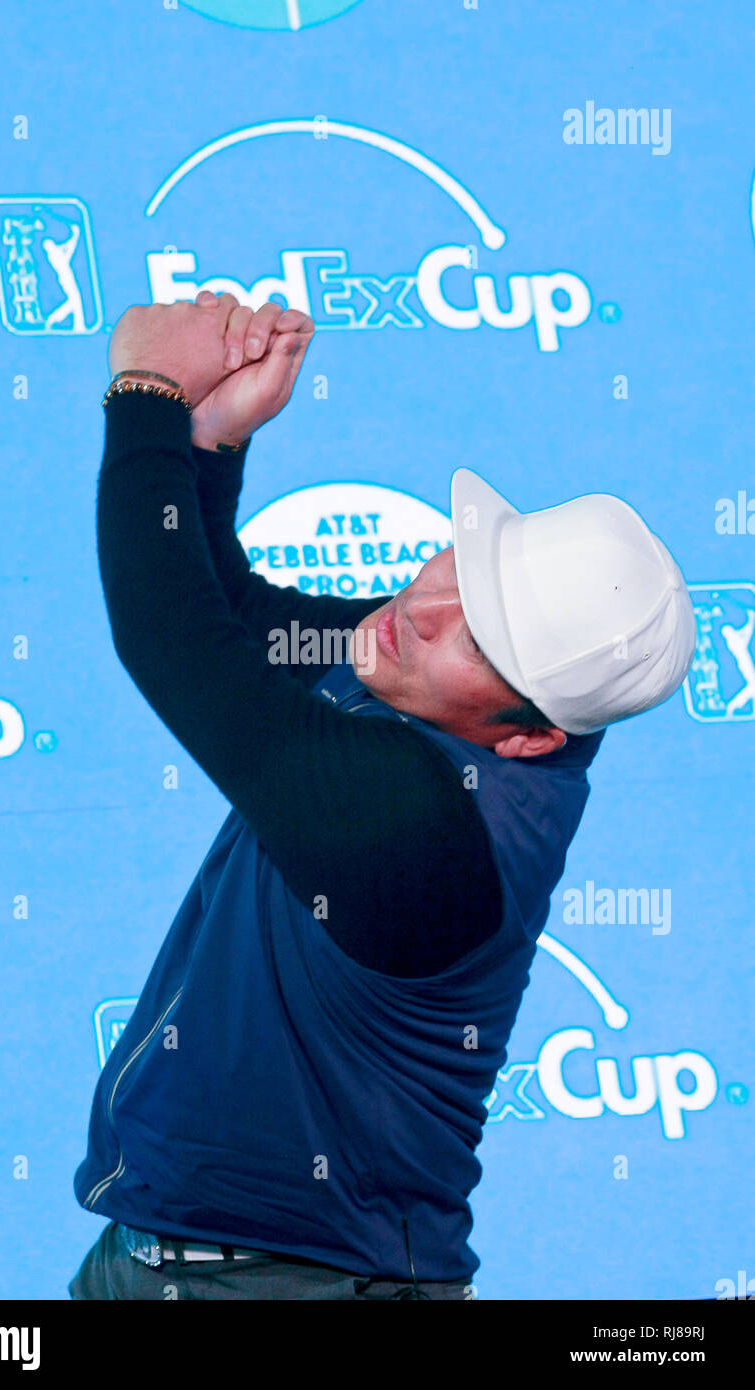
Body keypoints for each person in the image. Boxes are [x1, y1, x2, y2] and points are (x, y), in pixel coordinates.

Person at [69, 292, 696, 1300]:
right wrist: (211, 440)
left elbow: (173, 642)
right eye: (465, 570)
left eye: (476, 632)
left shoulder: (415, 826)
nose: (416, 606)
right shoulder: (433, 680)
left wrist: (142, 394)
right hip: (188, 1260)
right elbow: (237, 617)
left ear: (532, 735)